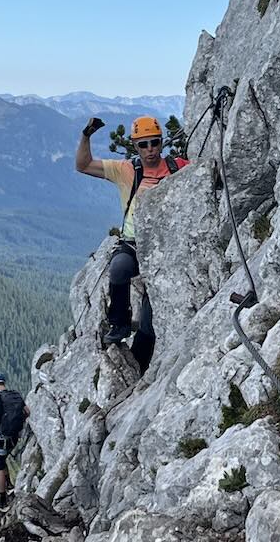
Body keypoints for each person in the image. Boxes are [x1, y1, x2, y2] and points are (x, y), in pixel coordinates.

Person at [75, 116, 187, 372]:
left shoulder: (178, 167)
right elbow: (83, 165)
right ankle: (120, 323)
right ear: (136, 146)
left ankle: (140, 367)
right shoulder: (128, 170)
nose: (150, 149)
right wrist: (86, 136)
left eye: (154, 143)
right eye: (144, 144)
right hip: (134, 243)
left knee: (149, 321)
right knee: (119, 268)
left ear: (161, 143)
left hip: (166, 249)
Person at [0, 373, 28, 508]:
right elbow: (27, 411)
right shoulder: (15, 395)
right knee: (3, 459)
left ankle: (3, 499)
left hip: (1, 437)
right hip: (15, 437)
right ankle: (9, 485)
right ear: (3, 383)